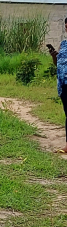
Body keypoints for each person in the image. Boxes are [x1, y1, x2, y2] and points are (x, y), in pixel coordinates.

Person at [47, 16, 67, 154]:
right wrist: (54, 56)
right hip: (63, 85)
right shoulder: (63, 44)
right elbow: (57, 64)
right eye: (66, 26)